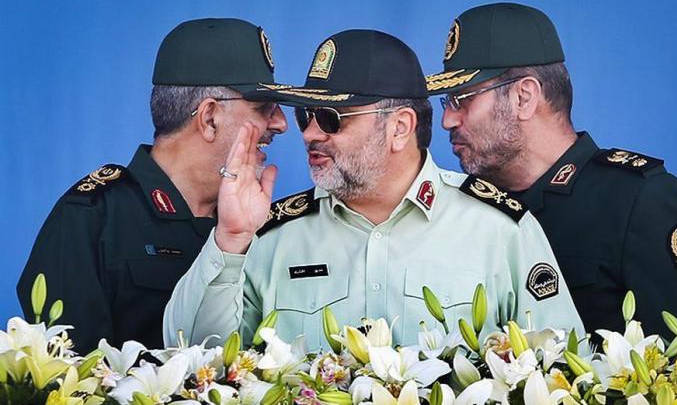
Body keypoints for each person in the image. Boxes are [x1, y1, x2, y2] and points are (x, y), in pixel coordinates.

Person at [164, 29, 584, 350]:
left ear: (399, 127)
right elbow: (195, 355)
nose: (310, 133)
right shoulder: (269, 234)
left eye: (331, 117)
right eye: (305, 116)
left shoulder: (500, 229)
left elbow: (561, 364)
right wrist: (231, 240)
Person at [426, 3, 677, 340]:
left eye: (462, 99)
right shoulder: (464, 208)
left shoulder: (637, 199)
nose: (448, 120)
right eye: (446, 102)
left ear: (524, 97)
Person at [17, 18, 288, 354]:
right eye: (264, 108)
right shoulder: (92, 217)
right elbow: (69, 380)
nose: (281, 123)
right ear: (209, 118)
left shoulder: (264, 224)